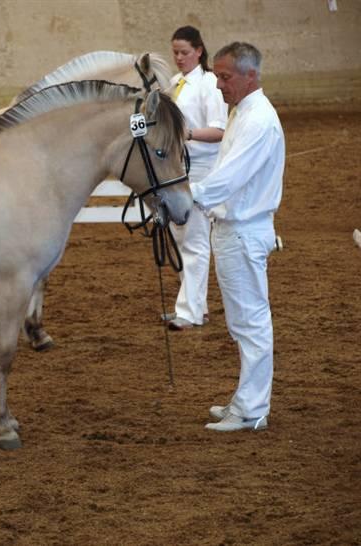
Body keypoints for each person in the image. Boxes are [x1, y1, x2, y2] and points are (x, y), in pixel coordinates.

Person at [190, 42, 285, 432]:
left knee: (250, 323)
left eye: (225, 77)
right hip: (234, 229)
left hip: (242, 230)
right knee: (244, 323)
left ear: (251, 75)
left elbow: (229, 178)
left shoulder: (258, 120)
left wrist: (186, 198)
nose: (218, 85)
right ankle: (246, 402)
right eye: (216, 76)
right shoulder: (243, 113)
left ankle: (250, 409)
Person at [164, 26, 228, 331]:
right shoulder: (175, 83)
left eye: (184, 52)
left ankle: (190, 311)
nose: (178, 58)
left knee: (195, 240)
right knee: (180, 239)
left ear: (199, 51)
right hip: (177, 170)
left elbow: (219, 130)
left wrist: (185, 133)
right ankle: (193, 306)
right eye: (175, 52)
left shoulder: (209, 84)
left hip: (201, 170)